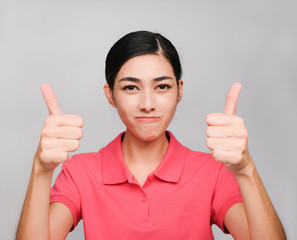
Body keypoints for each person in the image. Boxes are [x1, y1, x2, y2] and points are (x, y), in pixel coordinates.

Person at [16, 31, 286, 239]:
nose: (148, 103)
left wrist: (246, 169)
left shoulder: (211, 172)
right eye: (131, 88)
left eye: (162, 87)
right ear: (110, 94)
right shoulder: (80, 172)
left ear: (179, 90)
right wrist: (41, 169)